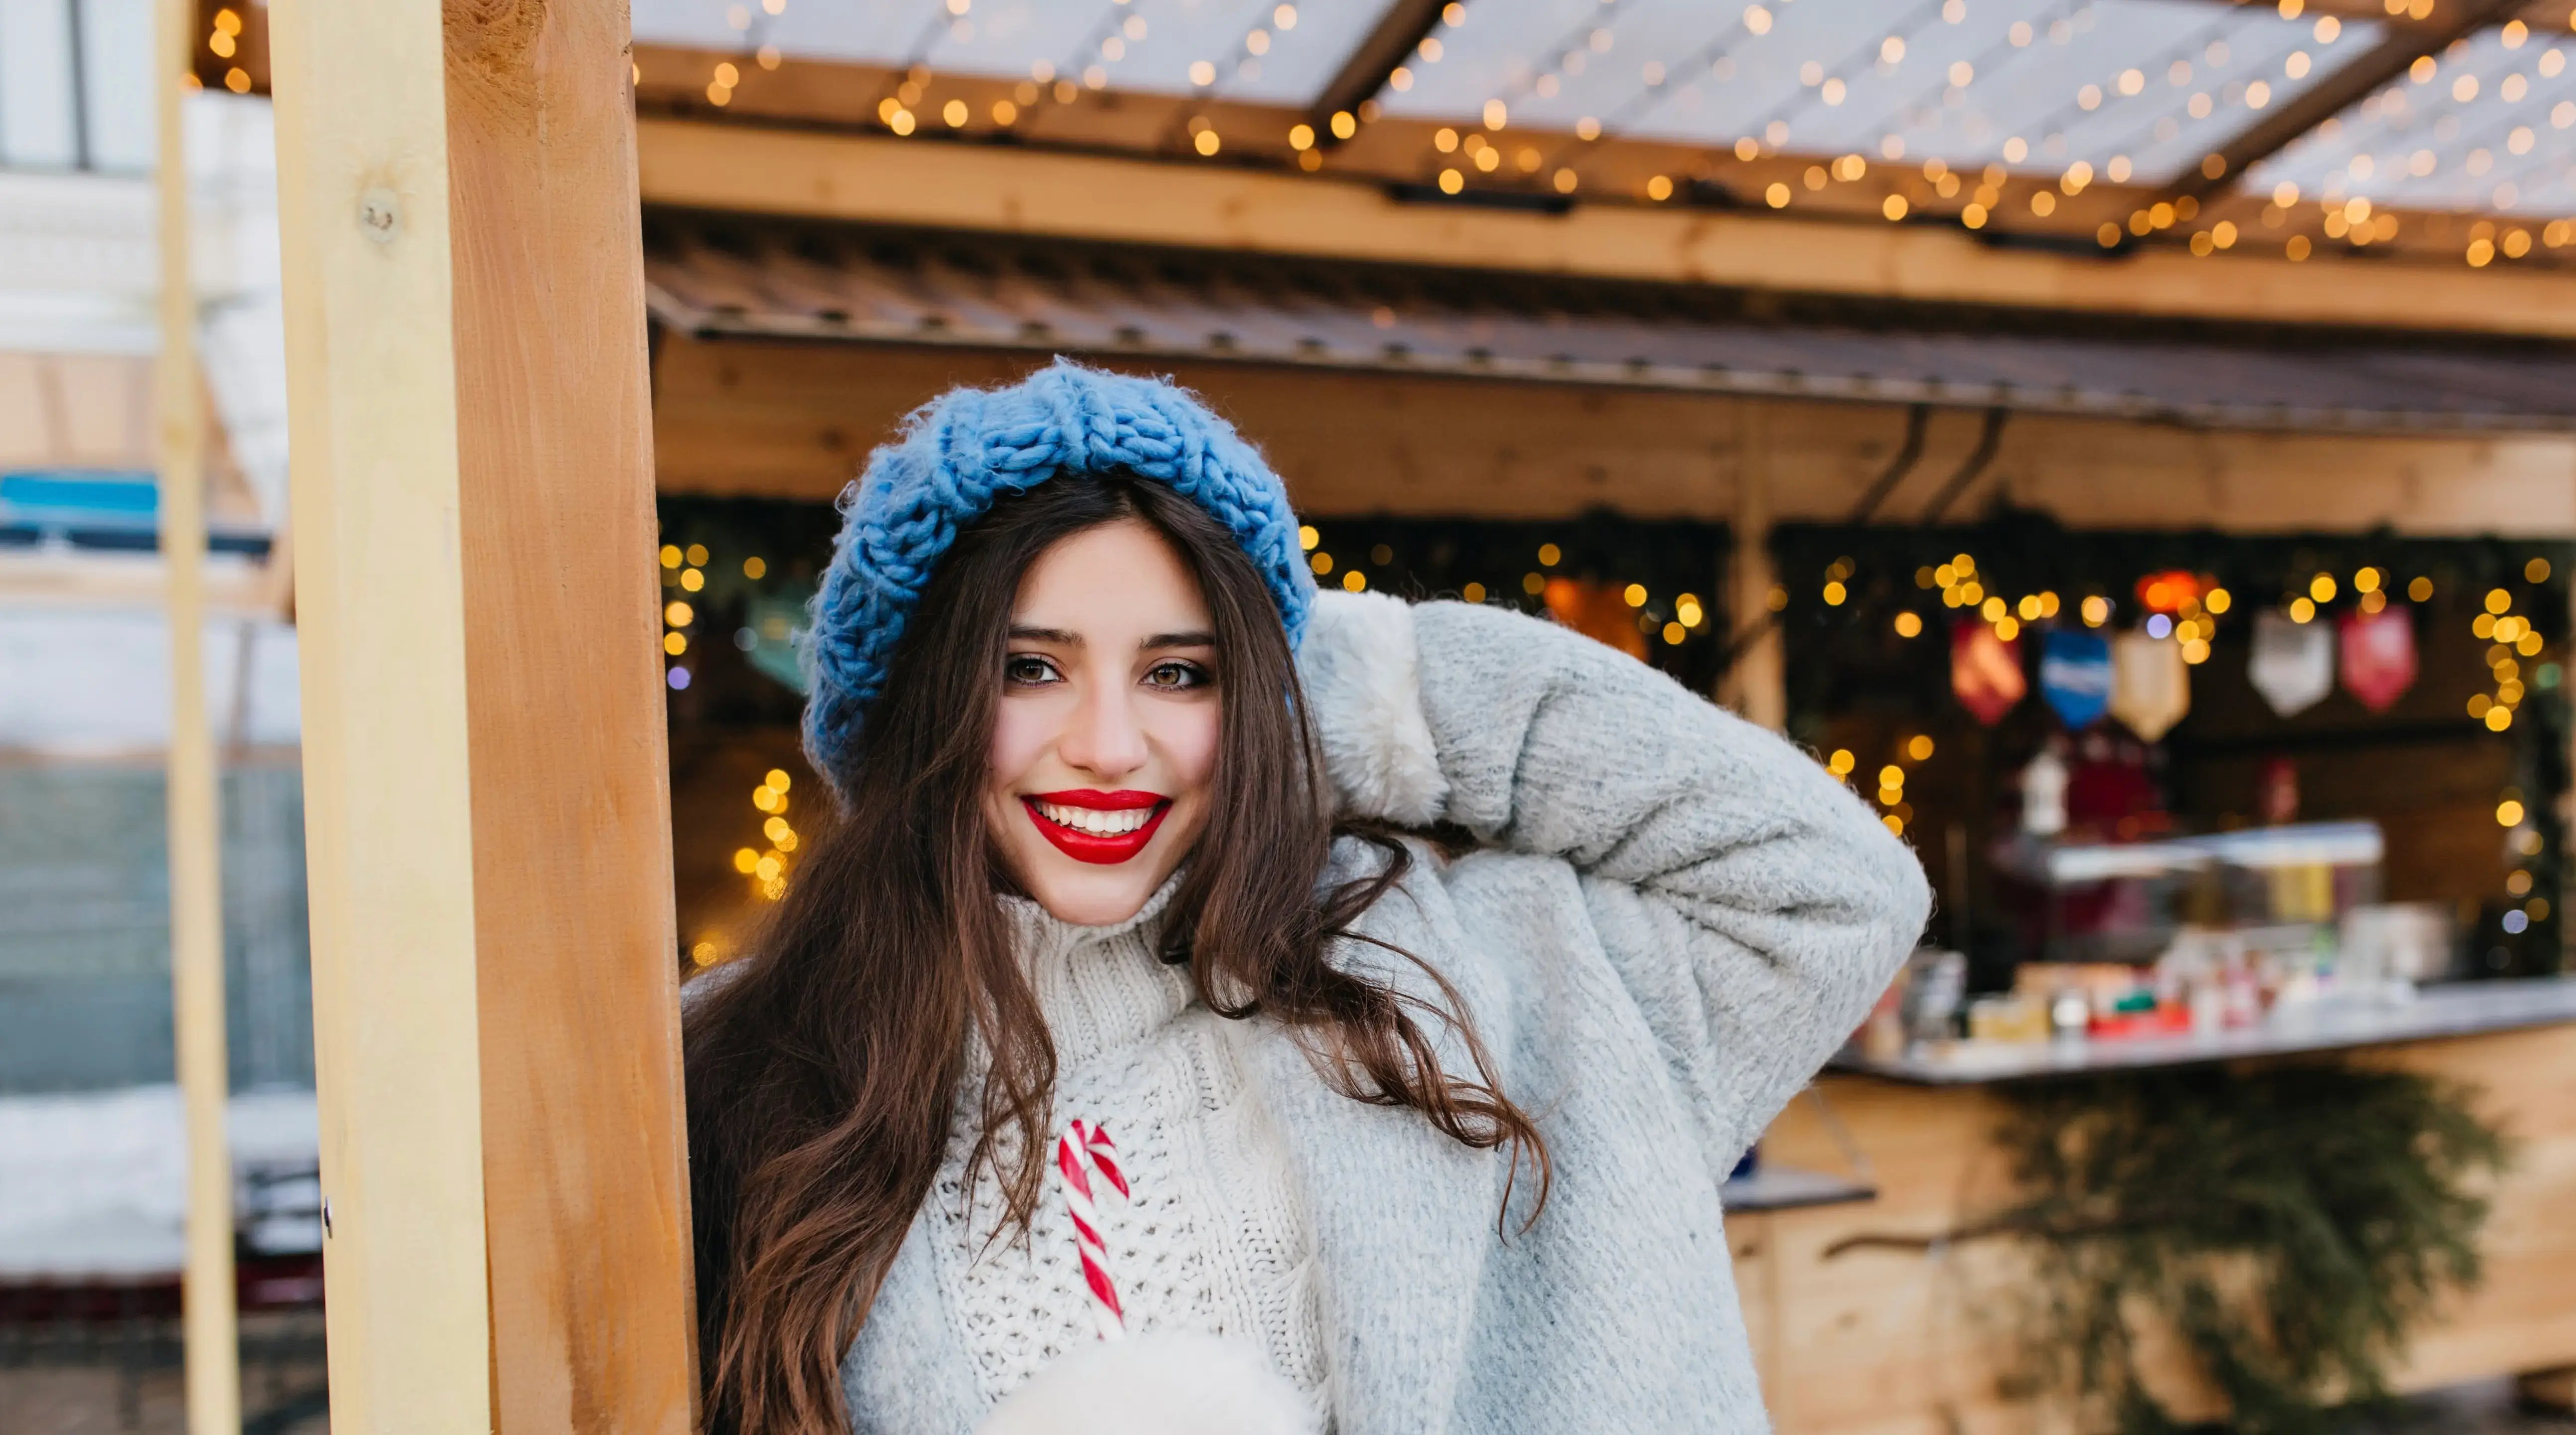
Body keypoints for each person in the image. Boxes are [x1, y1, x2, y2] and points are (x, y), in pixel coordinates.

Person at [682, 361, 1931, 1435]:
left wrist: (1367, 685)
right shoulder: (752, 1083)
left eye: (1180, 672)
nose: (1108, 747)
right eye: (1029, 668)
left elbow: (1833, 890)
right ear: (923, 705)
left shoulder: (1489, 989)